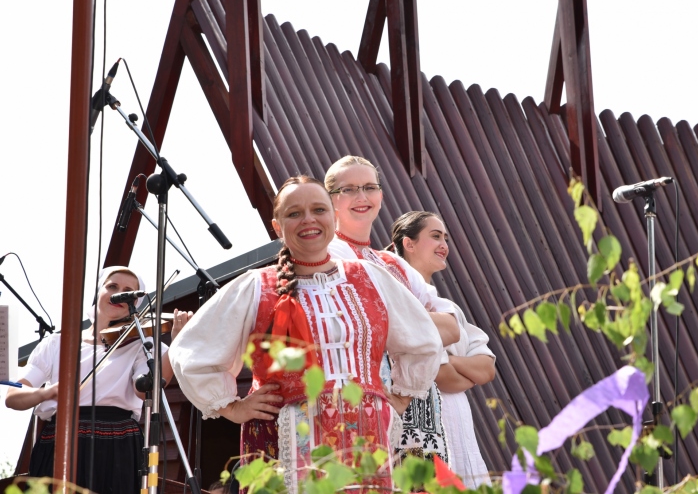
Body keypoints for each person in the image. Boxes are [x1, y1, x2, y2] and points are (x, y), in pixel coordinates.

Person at [168, 176, 443, 492]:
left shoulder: (369, 277)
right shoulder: (256, 287)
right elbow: (191, 351)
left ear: (333, 217)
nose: (308, 219)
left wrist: (401, 395)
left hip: (369, 441)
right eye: (294, 213)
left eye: (318, 209)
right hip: (282, 442)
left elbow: (423, 339)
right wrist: (232, 407)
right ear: (277, 226)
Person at [5, 266, 192, 494]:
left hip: (117, 442)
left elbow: (146, 391)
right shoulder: (57, 343)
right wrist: (48, 392)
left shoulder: (142, 345)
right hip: (61, 439)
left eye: (129, 291)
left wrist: (177, 344)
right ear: (99, 291)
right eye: (112, 286)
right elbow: (14, 397)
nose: (119, 294)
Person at [324, 155, 459, 464]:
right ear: (331, 200)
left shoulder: (392, 262)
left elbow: (451, 329)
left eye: (370, 187)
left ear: (381, 197)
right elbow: (357, 324)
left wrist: (392, 318)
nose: (362, 197)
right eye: (349, 189)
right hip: (369, 402)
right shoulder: (329, 256)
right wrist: (411, 321)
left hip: (419, 414)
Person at [390, 211, 496, 488]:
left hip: (460, 432)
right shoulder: (399, 299)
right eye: (435, 236)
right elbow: (446, 380)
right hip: (421, 435)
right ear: (409, 244)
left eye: (445, 238)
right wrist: (459, 368)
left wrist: (448, 359)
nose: (444, 245)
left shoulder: (450, 309)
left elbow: (486, 369)